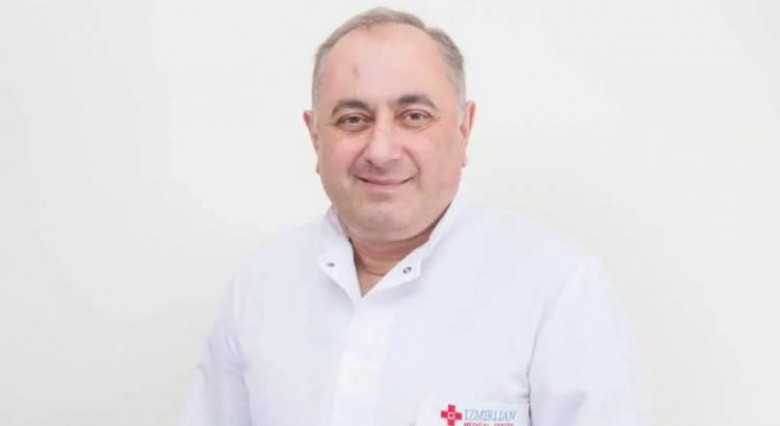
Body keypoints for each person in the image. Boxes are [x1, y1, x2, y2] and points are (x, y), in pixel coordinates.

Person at [180, 7, 642, 426]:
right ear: (315, 135)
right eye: (353, 119)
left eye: (414, 116)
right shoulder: (259, 287)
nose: (381, 151)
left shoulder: (558, 291)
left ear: (464, 128)